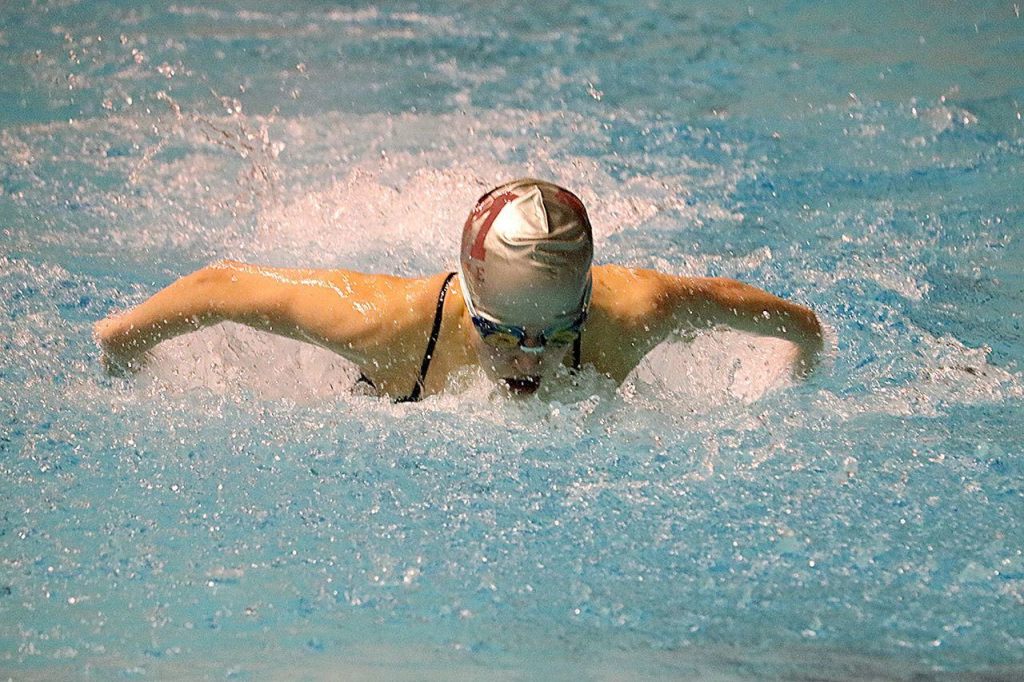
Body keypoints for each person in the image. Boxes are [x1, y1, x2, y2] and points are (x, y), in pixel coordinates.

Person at [94, 178, 824, 400]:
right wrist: (121, 344)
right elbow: (224, 286)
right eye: (503, 335)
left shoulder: (630, 313)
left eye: (552, 336)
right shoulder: (392, 326)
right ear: (474, 311)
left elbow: (777, 316)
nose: (527, 361)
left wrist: (803, 366)